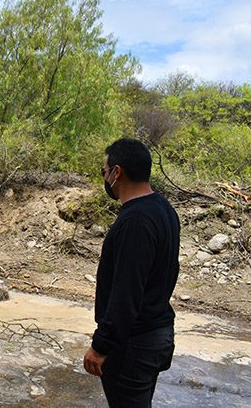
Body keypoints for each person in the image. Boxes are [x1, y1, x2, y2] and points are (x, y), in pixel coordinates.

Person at [83, 138, 180, 407]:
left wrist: (101, 345)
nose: (104, 178)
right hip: (155, 334)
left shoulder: (135, 221)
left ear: (117, 172)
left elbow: (127, 291)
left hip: (134, 343)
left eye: (104, 172)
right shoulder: (163, 209)